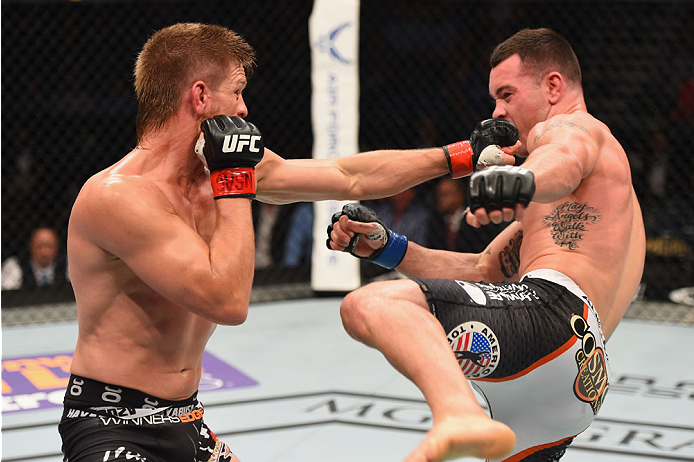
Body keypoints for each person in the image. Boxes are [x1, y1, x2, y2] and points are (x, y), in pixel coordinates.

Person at [59, 22, 520, 461]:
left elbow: (349, 176)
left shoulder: (213, 173)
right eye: (236, 92)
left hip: (186, 418)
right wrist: (235, 182)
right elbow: (227, 300)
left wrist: (462, 156)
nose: (243, 110)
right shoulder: (117, 198)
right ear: (200, 95)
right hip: (109, 422)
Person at [327, 28, 646, 462]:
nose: (497, 110)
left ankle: (458, 415)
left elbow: (565, 156)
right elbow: (481, 270)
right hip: (576, 377)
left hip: (555, 318)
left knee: (371, 305)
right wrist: (387, 247)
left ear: (553, 86)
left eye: (507, 94)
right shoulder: (596, 205)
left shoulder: (576, 129)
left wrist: (521, 180)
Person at [1, 226, 69, 290]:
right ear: (31, 247)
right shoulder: (15, 265)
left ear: (57, 248)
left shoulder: (68, 264)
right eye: (39, 247)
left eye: (49, 246)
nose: (44, 252)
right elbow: (6, 292)